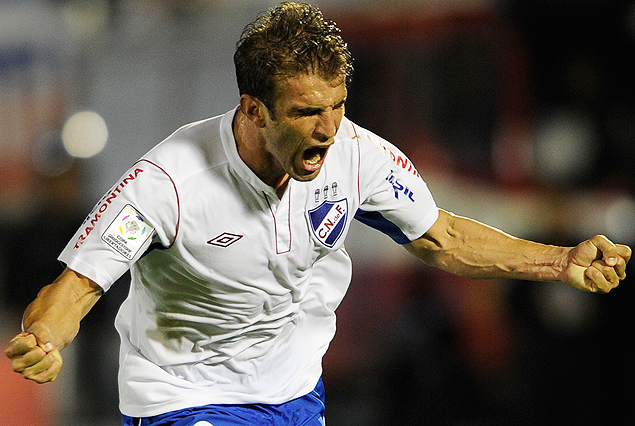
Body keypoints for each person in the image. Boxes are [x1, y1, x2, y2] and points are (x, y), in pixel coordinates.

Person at [5, 2, 631, 425]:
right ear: (253, 111)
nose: (329, 129)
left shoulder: (357, 155)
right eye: (306, 112)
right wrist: (44, 338)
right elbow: (74, 289)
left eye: (337, 106)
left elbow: (441, 237)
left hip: (295, 396)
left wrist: (558, 260)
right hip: (182, 396)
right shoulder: (166, 184)